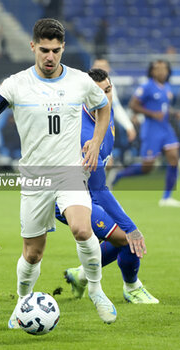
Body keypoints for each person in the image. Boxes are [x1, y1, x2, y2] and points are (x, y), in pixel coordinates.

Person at [0, 18, 117, 326]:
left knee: (82, 230)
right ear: (33, 46)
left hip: (70, 171)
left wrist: (96, 142)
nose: (50, 57)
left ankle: (97, 290)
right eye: (44, 50)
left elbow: (103, 106)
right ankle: (22, 303)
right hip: (35, 177)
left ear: (63, 49)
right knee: (33, 254)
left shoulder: (79, 81)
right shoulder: (15, 84)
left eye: (56, 51)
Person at [56, 68, 158, 304]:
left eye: (109, 91)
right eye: (98, 93)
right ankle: (132, 288)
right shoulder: (83, 134)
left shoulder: (105, 114)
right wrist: (131, 227)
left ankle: (80, 275)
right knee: (128, 238)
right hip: (69, 198)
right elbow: (99, 190)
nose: (105, 97)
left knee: (124, 235)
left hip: (92, 193)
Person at [112, 60, 180, 207]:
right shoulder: (147, 86)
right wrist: (152, 114)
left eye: (164, 69)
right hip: (151, 130)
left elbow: (164, 108)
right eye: (157, 69)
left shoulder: (167, 87)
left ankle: (167, 197)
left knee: (174, 158)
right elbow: (133, 104)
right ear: (152, 71)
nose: (161, 72)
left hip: (166, 129)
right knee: (147, 167)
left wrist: (174, 113)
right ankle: (119, 175)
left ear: (168, 71)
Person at [92, 58, 136, 143]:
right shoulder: (85, 84)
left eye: (103, 67)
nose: (100, 69)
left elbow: (116, 107)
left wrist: (129, 126)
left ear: (109, 69)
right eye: (98, 67)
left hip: (103, 129)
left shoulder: (110, 86)